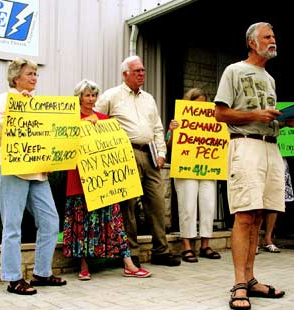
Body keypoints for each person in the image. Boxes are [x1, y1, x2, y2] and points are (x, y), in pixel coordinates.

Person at [214, 22, 294, 310]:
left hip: (270, 147)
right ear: (252, 43)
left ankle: (251, 279)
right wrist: (256, 114)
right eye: (267, 37)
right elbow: (220, 114)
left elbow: (265, 117)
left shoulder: (270, 78)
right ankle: (239, 283)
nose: (273, 40)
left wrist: (283, 121)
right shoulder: (234, 71)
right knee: (244, 215)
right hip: (246, 145)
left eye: (274, 36)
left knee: (261, 214)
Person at [95, 55, 181, 267]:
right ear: (125, 74)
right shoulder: (111, 96)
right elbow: (95, 120)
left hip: (150, 153)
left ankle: (161, 251)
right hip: (125, 154)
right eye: (137, 71)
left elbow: (158, 128)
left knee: (157, 204)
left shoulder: (149, 99)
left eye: (143, 70)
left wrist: (162, 153)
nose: (142, 74)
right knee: (129, 206)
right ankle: (130, 252)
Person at [0, 58, 66, 295]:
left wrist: (52, 159)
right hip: (11, 168)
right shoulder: (5, 99)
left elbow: (45, 137)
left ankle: (42, 273)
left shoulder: (37, 103)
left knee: (50, 221)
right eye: (30, 74)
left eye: (36, 74)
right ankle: (13, 278)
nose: (34, 78)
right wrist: (16, 110)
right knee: (12, 224)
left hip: (37, 171)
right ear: (16, 77)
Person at [62, 79, 151, 279]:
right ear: (79, 97)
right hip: (79, 181)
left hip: (104, 183)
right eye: (87, 95)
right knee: (81, 223)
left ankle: (128, 264)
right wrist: (82, 124)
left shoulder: (105, 120)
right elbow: (63, 141)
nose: (91, 99)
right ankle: (83, 266)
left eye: (94, 95)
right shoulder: (70, 119)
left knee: (115, 221)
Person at [167, 88, 221, 263]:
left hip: (207, 166)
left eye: (204, 105)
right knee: (187, 206)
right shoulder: (178, 120)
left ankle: (205, 244)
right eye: (198, 105)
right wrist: (172, 130)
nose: (202, 110)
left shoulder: (213, 120)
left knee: (208, 205)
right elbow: (168, 146)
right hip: (185, 167)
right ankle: (187, 246)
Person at [260, 158, 294, 253]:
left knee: (274, 201)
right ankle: (254, 242)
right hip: (260, 157)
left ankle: (268, 239)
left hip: (278, 158)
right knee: (258, 200)